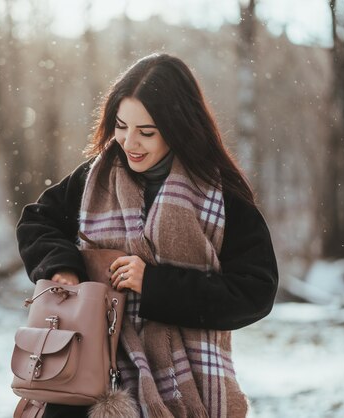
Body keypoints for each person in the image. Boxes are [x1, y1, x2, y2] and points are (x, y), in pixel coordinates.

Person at [16, 53, 278, 418]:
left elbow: (255, 292)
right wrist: (64, 267)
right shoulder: (95, 177)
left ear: (178, 126)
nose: (129, 142)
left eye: (147, 132)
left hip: (188, 384)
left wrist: (155, 284)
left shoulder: (222, 196)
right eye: (121, 126)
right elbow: (36, 221)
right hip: (89, 364)